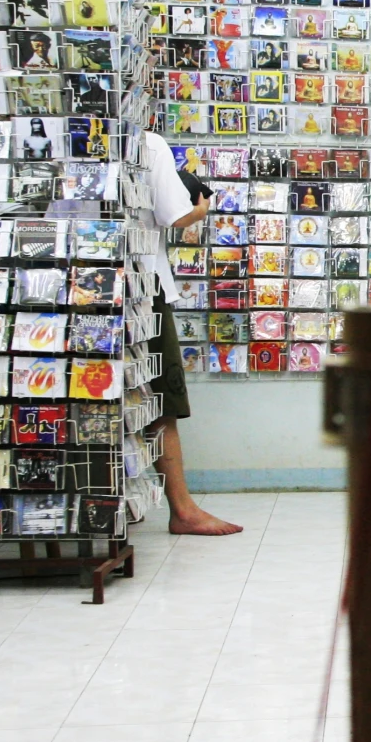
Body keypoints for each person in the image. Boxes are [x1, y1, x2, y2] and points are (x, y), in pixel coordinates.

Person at [137, 131, 240, 537]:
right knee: (163, 400)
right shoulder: (147, 143)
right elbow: (174, 215)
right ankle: (182, 510)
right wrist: (198, 210)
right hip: (143, 289)